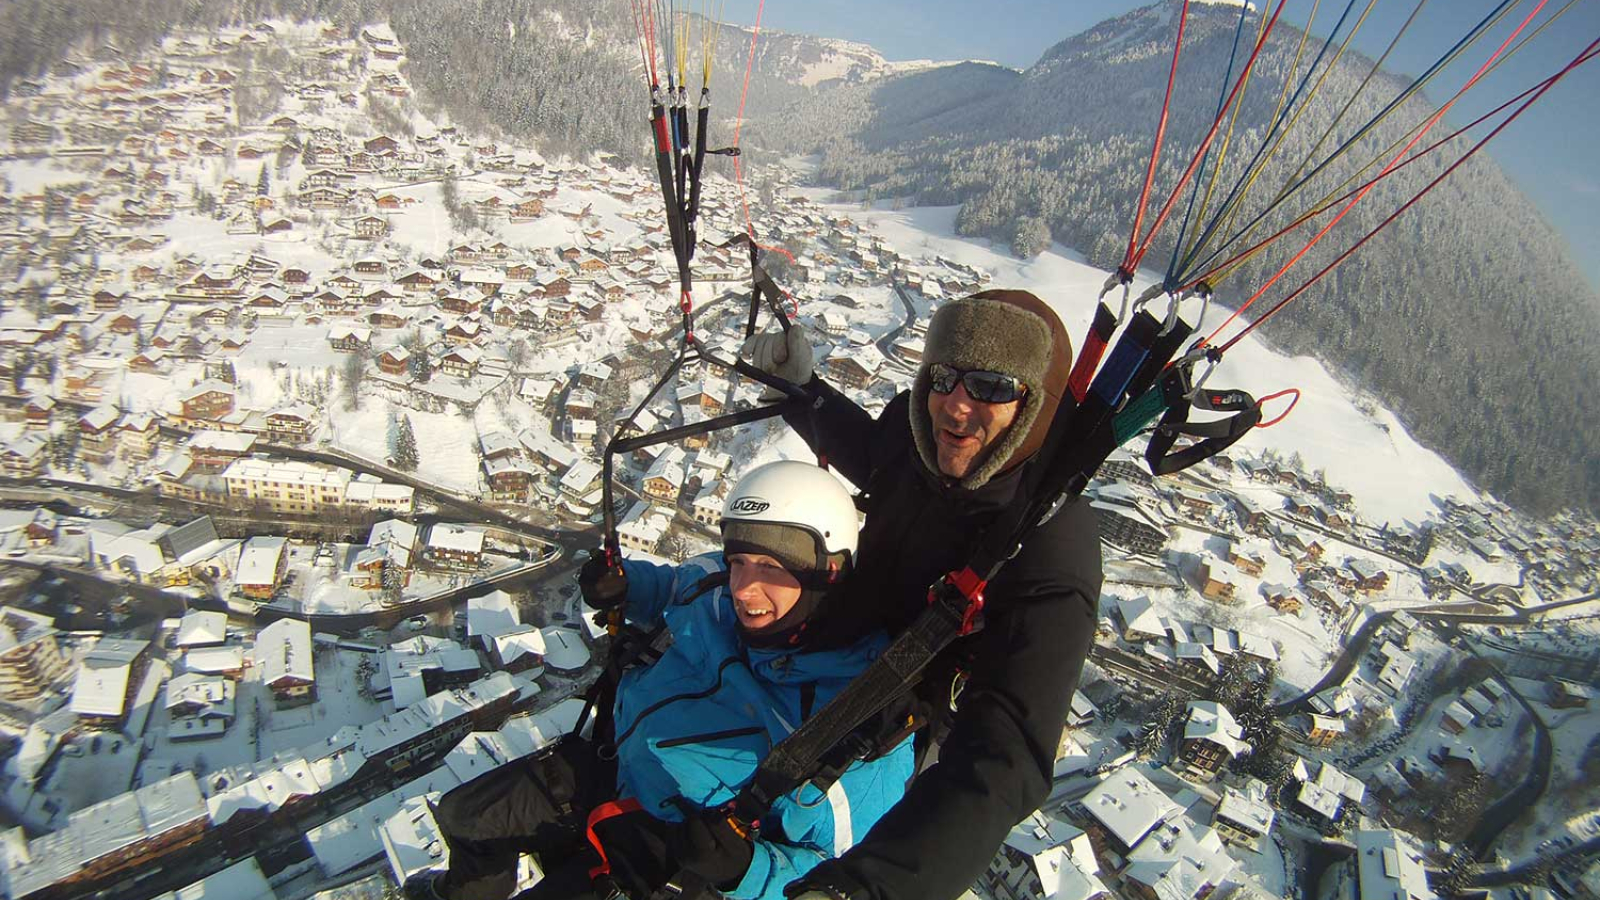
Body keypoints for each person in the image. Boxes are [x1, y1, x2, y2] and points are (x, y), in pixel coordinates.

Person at [407, 461, 914, 900]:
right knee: (465, 817)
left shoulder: (855, 723)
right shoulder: (718, 586)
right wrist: (628, 586)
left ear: (827, 570)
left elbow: (842, 872)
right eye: (738, 560)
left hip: (672, 852)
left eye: (770, 567)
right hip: (617, 764)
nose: (743, 588)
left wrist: (747, 870)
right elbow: (678, 586)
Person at [743, 289, 1103, 900]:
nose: (956, 407)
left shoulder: (1049, 546)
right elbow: (874, 455)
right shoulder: (918, 440)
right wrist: (804, 394)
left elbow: (1003, 755)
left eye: (990, 385)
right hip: (830, 648)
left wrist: (871, 888)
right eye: (943, 378)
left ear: (1032, 408)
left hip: (887, 728)